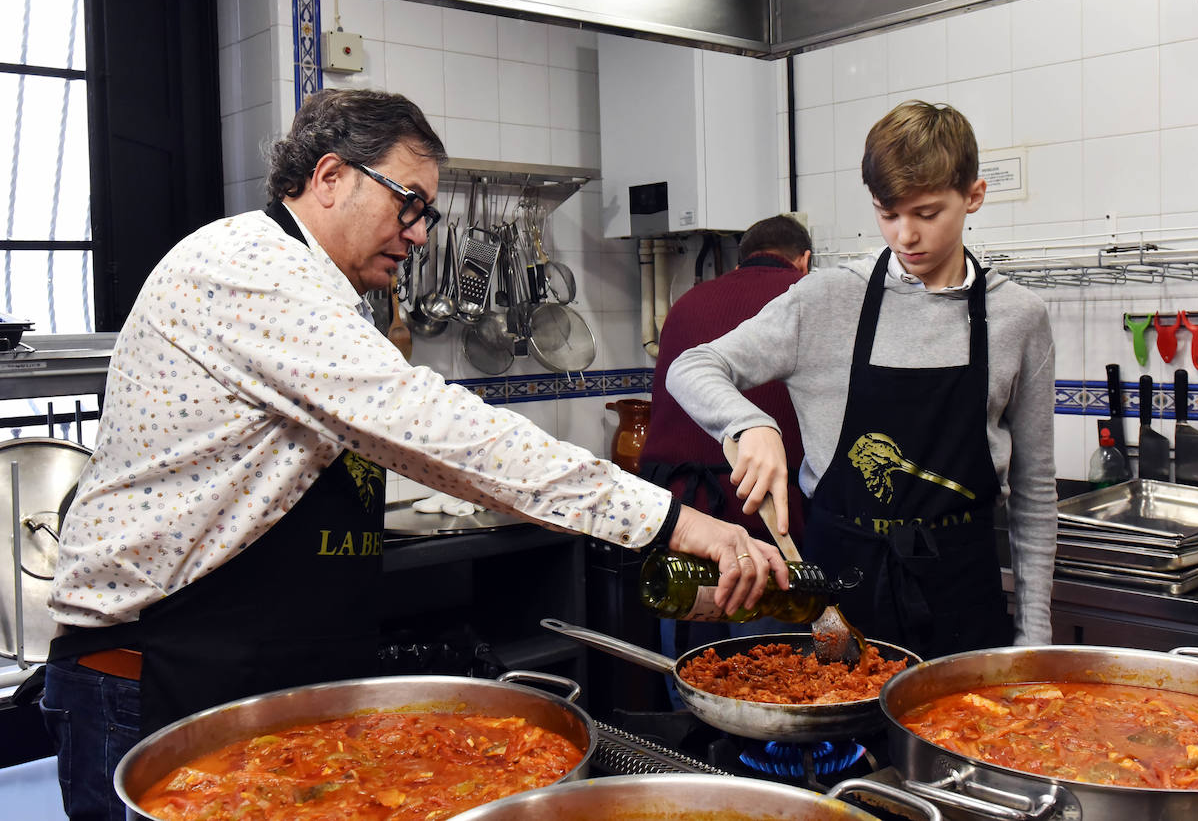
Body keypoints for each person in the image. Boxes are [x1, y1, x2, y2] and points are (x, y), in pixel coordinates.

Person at [39, 88, 787, 821]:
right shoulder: (248, 269)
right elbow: (436, 429)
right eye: (410, 204)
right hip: (151, 682)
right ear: (330, 177)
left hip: (246, 677)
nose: (421, 232)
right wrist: (676, 523)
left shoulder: (317, 290)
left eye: (426, 212)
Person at [666, 100, 1057, 659]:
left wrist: (1036, 639)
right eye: (887, 213)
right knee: (844, 747)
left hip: (962, 595)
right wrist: (749, 424)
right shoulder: (827, 299)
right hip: (839, 597)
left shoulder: (1018, 316)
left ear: (973, 195)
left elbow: (1036, 493)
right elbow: (692, 365)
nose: (905, 236)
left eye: (926, 213)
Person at [638, 215, 812, 664]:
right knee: (771, 675)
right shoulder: (803, 300)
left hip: (683, 520)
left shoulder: (687, 303)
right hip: (767, 527)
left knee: (691, 671)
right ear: (804, 261)